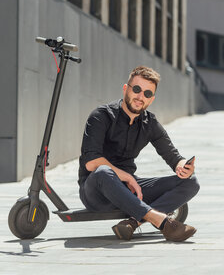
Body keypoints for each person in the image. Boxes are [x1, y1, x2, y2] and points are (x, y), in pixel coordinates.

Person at [78, 66, 200, 242]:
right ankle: (162, 222)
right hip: (97, 192)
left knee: (191, 182)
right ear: (126, 89)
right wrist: (127, 177)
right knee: (103, 172)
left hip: (130, 191)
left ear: (152, 99)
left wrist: (182, 166)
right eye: (136, 89)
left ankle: (134, 222)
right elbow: (91, 162)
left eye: (147, 94)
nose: (140, 97)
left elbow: (172, 154)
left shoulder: (149, 122)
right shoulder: (101, 116)